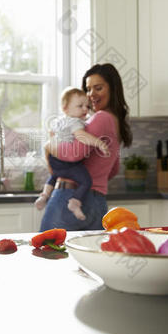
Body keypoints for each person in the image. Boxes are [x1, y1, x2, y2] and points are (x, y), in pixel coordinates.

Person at [39, 63, 132, 231]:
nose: (91, 95)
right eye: (88, 89)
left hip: (70, 198)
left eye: (98, 88)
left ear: (113, 89)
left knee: (47, 253)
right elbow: (113, 169)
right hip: (97, 203)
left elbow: (75, 154)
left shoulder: (100, 118)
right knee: (88, 256)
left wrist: (48, 146)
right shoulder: (115, 121)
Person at [34, 87, 109, 221]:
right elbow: (81, 136)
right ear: (65, 109)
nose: (85, 109)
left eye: (87, 105)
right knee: (86, 181)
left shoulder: (58, 121)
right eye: (80, 106)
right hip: (67, 162)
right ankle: (75, 202)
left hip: (54, 158)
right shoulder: (75, 122)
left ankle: (44, 195)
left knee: (54, 175)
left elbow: (51, 137)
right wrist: (99, 143)